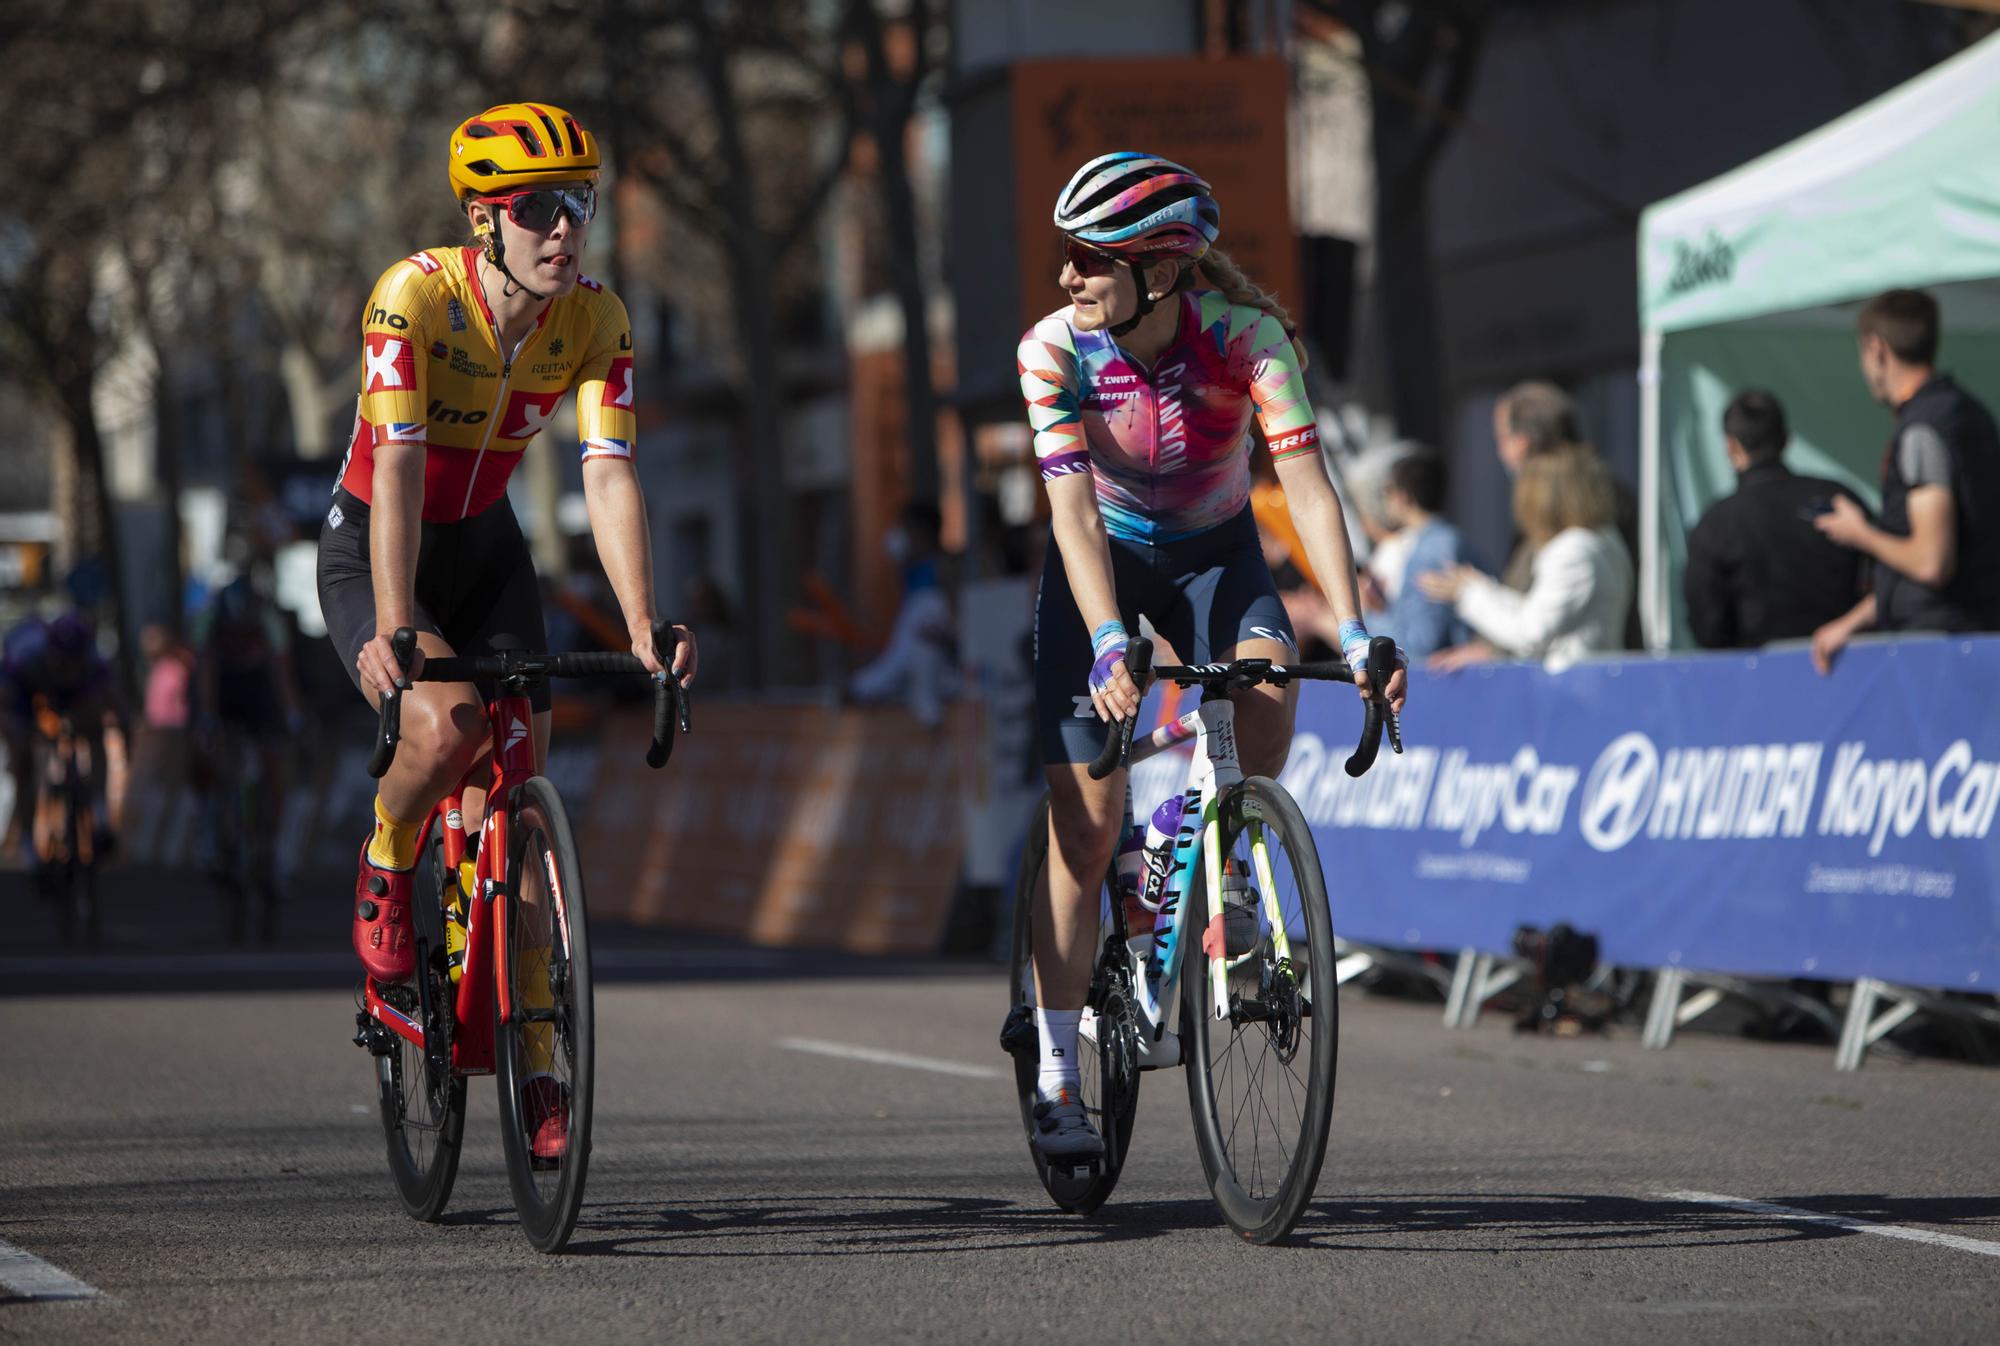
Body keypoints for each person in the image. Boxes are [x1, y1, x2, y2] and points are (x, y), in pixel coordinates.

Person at [315, 102, 695, 1158]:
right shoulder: (414, 299)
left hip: (487, 552)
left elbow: (608, 472)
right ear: (484, 219)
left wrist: (639, 625)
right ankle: (389, 856)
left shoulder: (594, 318)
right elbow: (393, 468)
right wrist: (394, 623)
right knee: (442, 731)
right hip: (378, 546)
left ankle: (537, 1071)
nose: (564, 228)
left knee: (518, 802)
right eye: (538, 208)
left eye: (577, 203)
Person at [1017, 151, 1407, 1163]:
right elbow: (1065, 508)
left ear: (1159, 266)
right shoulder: (1051, 350)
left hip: (1214, 561)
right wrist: (1109, 638)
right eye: (1066, 255)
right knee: (1086, 824)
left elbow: (1309, 489)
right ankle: (1058, 1067)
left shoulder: (1248, 340)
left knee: (1267, 689)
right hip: (1095, 566)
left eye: (1088, 258)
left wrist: (1355, 630)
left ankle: (1221, 863)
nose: (1067, 276)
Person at [1811, 288, 2000, 673]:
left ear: (1876, 348)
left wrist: (1858, 532)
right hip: (1967, 638)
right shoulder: (1968, 414)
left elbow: (1931, 562)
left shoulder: (1923, 431)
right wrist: (1852, 622)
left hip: (1939, 652)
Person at [1415, 446, 1631, 672]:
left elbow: (1530, 632)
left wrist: (1467, 594)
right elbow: (1536, 612)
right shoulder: (1602, 540)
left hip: (1574, 688)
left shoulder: (1573, 551)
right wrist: (1479, 587)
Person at [1683, 389, 1866, 649]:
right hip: (1845, 668)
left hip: (1753, 680)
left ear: (1731, 446)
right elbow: (1881, 587)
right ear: (1786, 440)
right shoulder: (1839, 502)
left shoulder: (1715, 525)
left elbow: (1707, 626)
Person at [848, 502, 959, 727]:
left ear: (923, 534)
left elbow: (900, 660)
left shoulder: (934, 591)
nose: (899, 536)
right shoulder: (912, 582)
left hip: (947, 685)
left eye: (906, 529)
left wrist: (860, 687)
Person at [1378, 449, 1473, 660]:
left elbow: (1421, 645)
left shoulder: (1430, 552)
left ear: (1402, 496)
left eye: (1387, 490)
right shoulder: (1450, 539)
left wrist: (1366, 618)